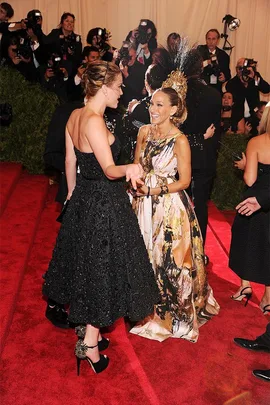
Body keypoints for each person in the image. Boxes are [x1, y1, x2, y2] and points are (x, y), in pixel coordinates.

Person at [42, 60, 159, 373]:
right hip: (104, 203)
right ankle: (90, 346)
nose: (121, 92)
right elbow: (109, 170)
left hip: (83, 200)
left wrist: (71, 196)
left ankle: (87, 333)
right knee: (103, 271)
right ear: (104, 87)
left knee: (88, 266)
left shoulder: (75, 116)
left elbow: (70, 161)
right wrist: (130, 168)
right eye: (118, 86)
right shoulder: (93, 120)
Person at [129, 71, 220, 342]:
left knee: (168, 260)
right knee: (143, 255)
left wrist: (155, 189)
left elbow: (185, 181)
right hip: (142, 204)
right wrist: (134, 188)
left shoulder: (180, 140)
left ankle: (169, 313)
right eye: (152, 104)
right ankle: (140, 306)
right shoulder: (144, 131)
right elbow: (137, 166)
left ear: (173, 109)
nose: (153, 109)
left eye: (159, 105)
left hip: (169, 209)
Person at [229, 102, 270, 313]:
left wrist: (246, 166)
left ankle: (245, 286)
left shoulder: (256, 142)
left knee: (246, 241)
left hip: (253, 203)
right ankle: (268, 298)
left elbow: (250, 180)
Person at [197, 29, 231, 93]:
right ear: (206, 40)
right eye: (209, 39)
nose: (211, 42)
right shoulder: (199, 51)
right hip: (201, 88)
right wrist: (207, 62)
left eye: (213, 39)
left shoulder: (223, 55)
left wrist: (224, 77)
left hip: (216, 89)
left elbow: (228, 74)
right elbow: (194, 67)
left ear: (218, 40)